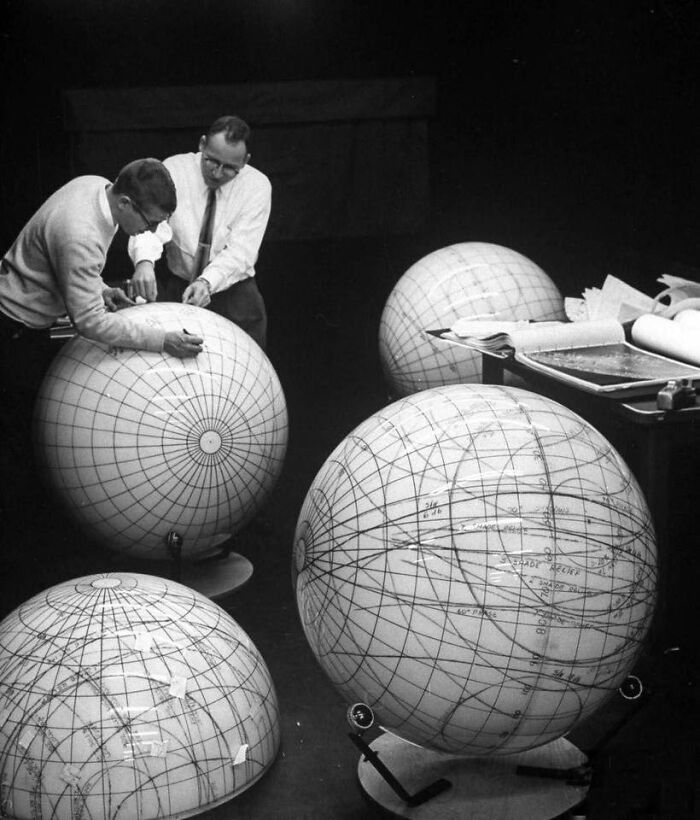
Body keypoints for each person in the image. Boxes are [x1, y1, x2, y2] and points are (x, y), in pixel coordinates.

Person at [0, 159, 204, 590]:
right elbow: (89, 323)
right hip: (13, 331)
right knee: (16, 451)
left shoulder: (94, 186)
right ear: (125, 202)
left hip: (19, 318)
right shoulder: (82, 232)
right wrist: (162, 340)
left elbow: (69, 268)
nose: (150, 232)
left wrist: (102, 289)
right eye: (149, 222)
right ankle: (21, 569)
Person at [128, 115, 271, 349]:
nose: (217, 173)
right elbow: (151, 224)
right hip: (179, 287)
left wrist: (206, 282)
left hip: (235, 294)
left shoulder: (257, 186)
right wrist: (143, 262)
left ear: (245, 161)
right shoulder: (173, 170)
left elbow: (241, 251)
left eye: (230, 168)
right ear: (202, 144)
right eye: (211, 161)